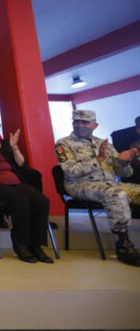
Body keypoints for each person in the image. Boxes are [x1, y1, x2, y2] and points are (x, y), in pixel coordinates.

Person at [55, 110, 140, 266]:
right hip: (79, 185)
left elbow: (124, 174)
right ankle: (123, 246)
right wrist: (98, 159)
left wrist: (123, 161)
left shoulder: (105, 144)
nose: (79, 125)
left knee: (122, 191)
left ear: (95, 125)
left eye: (85, 122)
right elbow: (71, 171)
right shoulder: (63, 144)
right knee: (116, 194)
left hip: (110, 183)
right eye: (76, 121)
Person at [0, 114, 53, 263]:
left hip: (15, 182)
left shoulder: (6, 144)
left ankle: (36, 245)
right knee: (21, 200)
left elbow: (21, 164)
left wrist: (14, 148)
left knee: (41, 200)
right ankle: (20, 244)